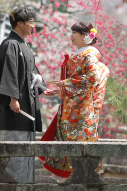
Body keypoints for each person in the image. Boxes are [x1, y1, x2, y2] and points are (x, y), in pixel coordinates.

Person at [41, 22, 110, 181]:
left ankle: (77, 179)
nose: (71, 36)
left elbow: (92, 79)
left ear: (85, 36)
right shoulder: (81, 53)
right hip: (74, 108)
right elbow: (82, 81)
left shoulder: (89, 55)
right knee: (69, 142)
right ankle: (69, 179)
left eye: (74, 33)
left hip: (80, 110)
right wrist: (60, 90)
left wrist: (66, 83)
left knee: (75, 144)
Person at [0, 7, 49, 183]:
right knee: (15, 155)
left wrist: (44, 88)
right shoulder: (10, 44)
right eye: (31, 22)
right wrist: (13, 98)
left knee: (26, 154)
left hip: (27, 109)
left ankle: (26, 189)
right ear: (20, 23)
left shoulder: (24, 46)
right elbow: (10, 72)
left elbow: (33, 73)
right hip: (15, 111)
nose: (33, 26)